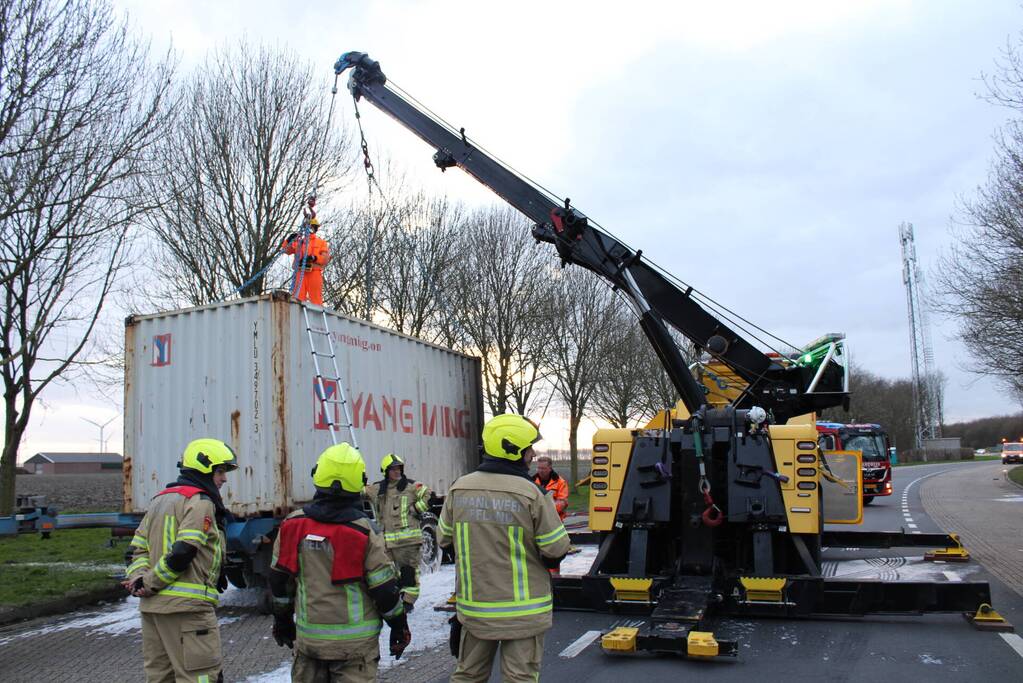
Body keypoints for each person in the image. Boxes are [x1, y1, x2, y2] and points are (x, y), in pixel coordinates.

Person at [439, 414, 571, 683]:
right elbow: (556, 549)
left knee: (467, 676)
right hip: (523, 613)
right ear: (514, 451)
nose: (533, 455)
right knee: (519, 679)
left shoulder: (458, 489)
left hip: (475, 611)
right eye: (529, 449)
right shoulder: (532, 493)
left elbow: (444, 539)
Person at [269, 443, 411, 682]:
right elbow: (384, 590)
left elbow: (279, 581)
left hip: (309, 644)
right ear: (358, 481)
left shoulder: (293, 525)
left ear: (318, 475)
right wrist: (399, 625)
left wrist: (282, 621)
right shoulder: (364, 531)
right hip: (354, 649)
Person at [124, 438, 238, 683]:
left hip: (153, 611)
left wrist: (138, 579)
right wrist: (149, 582)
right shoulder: (200, 503)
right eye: (220, 471)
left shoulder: (160, 499)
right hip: (188, 611)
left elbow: (136, 550)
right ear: (204, 468)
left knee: (160, 678)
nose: (224, 478)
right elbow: (184, 551)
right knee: (200, 678)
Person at [364, 453, 432, 611]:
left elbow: (429, 495)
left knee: (408, 573)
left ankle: (408, 602)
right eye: (393, 469)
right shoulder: (378, 489)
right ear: (385, 471)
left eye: (399, 468)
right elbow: (360, 492)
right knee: (389, 575)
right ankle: (395, 599)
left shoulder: (411, 486)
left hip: (408, 542)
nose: (397, 472)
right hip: (386, 543)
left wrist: (416, 509)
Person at [281, 215, 330, 305]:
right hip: (300, 272)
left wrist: (314, 258)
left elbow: (325, 259)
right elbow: (286, 250)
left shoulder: (321, 243)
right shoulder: (299, 242)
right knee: (297, 299)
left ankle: (317, 317)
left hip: (314, 272)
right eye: (308, 227)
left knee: (316, 299)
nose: (310, 229)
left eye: (312, 227)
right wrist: (289, 240)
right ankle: (297, 317)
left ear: (315, 229)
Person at [531, 455, 569, 520]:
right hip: (536, 519)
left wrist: (544, 512)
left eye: (543, 468)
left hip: (555, 520)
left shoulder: (561, 482)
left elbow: (562, 503)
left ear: (550, 468)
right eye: (539, 468)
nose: (540, 471)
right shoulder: (532, 482)